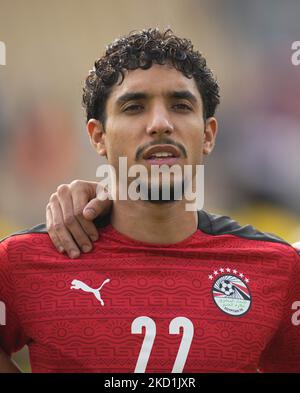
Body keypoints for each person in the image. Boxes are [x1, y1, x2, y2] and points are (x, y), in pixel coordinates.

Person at [1, 28, 300, 373]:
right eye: (134, 107)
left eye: (180, 105)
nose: (160, 124)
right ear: (98, 137)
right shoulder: (20, 263)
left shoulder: (280, 269)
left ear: (208, 135)